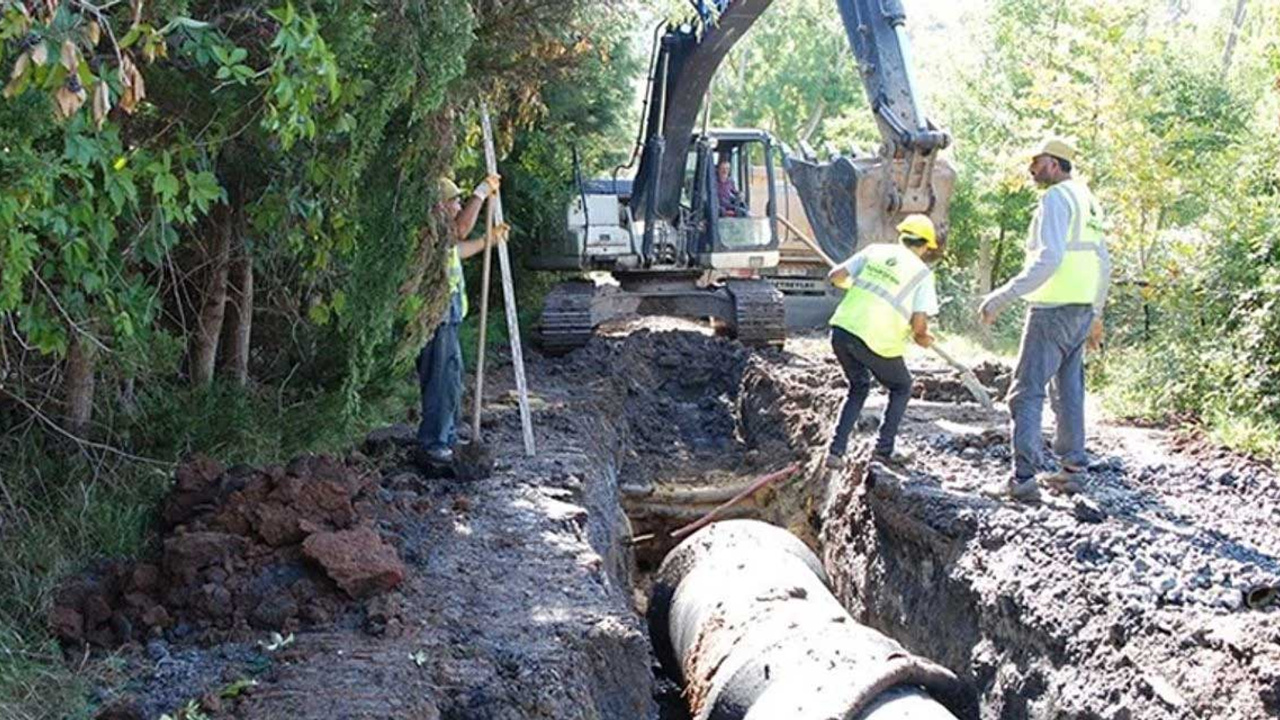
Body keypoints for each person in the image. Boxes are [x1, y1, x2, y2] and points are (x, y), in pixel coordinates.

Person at [979, 137, 1111, 502]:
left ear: (1054, 163)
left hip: (1052, 309)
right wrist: (1096, 312)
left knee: (1026, 393)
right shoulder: (1088, 200)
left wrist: (1001, 296)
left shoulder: (1055, 198)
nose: (1032, 168)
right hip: (1081, 308)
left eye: (1037, 162)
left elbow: (1049, 259)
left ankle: (1022, 479)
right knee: (1068, 391)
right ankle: (1073, 470)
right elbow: (1104, 261)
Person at [824, 214, 940, 469]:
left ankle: (836, 451)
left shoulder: (875, 251)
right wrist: (923, 338)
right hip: (875, 340)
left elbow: (835, 275)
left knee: (858, 386)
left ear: (902, 236)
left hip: (842, 331)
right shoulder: (921, 274)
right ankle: (883, 450)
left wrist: (852, 283)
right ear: (924, 246)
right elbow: (919, 323)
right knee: (901, 387)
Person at [416, 173, 504, 465]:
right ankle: (435, 443)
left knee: (451, 379)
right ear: (438, 207)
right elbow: (460, 231)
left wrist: (486, 242)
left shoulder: (442, 238)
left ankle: (447, 437)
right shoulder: (430, 232)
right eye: (453, 201)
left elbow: (458, 248)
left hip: (449, 314)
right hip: (436, 315)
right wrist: (480, 194)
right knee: (441, 380)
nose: (457, 206)